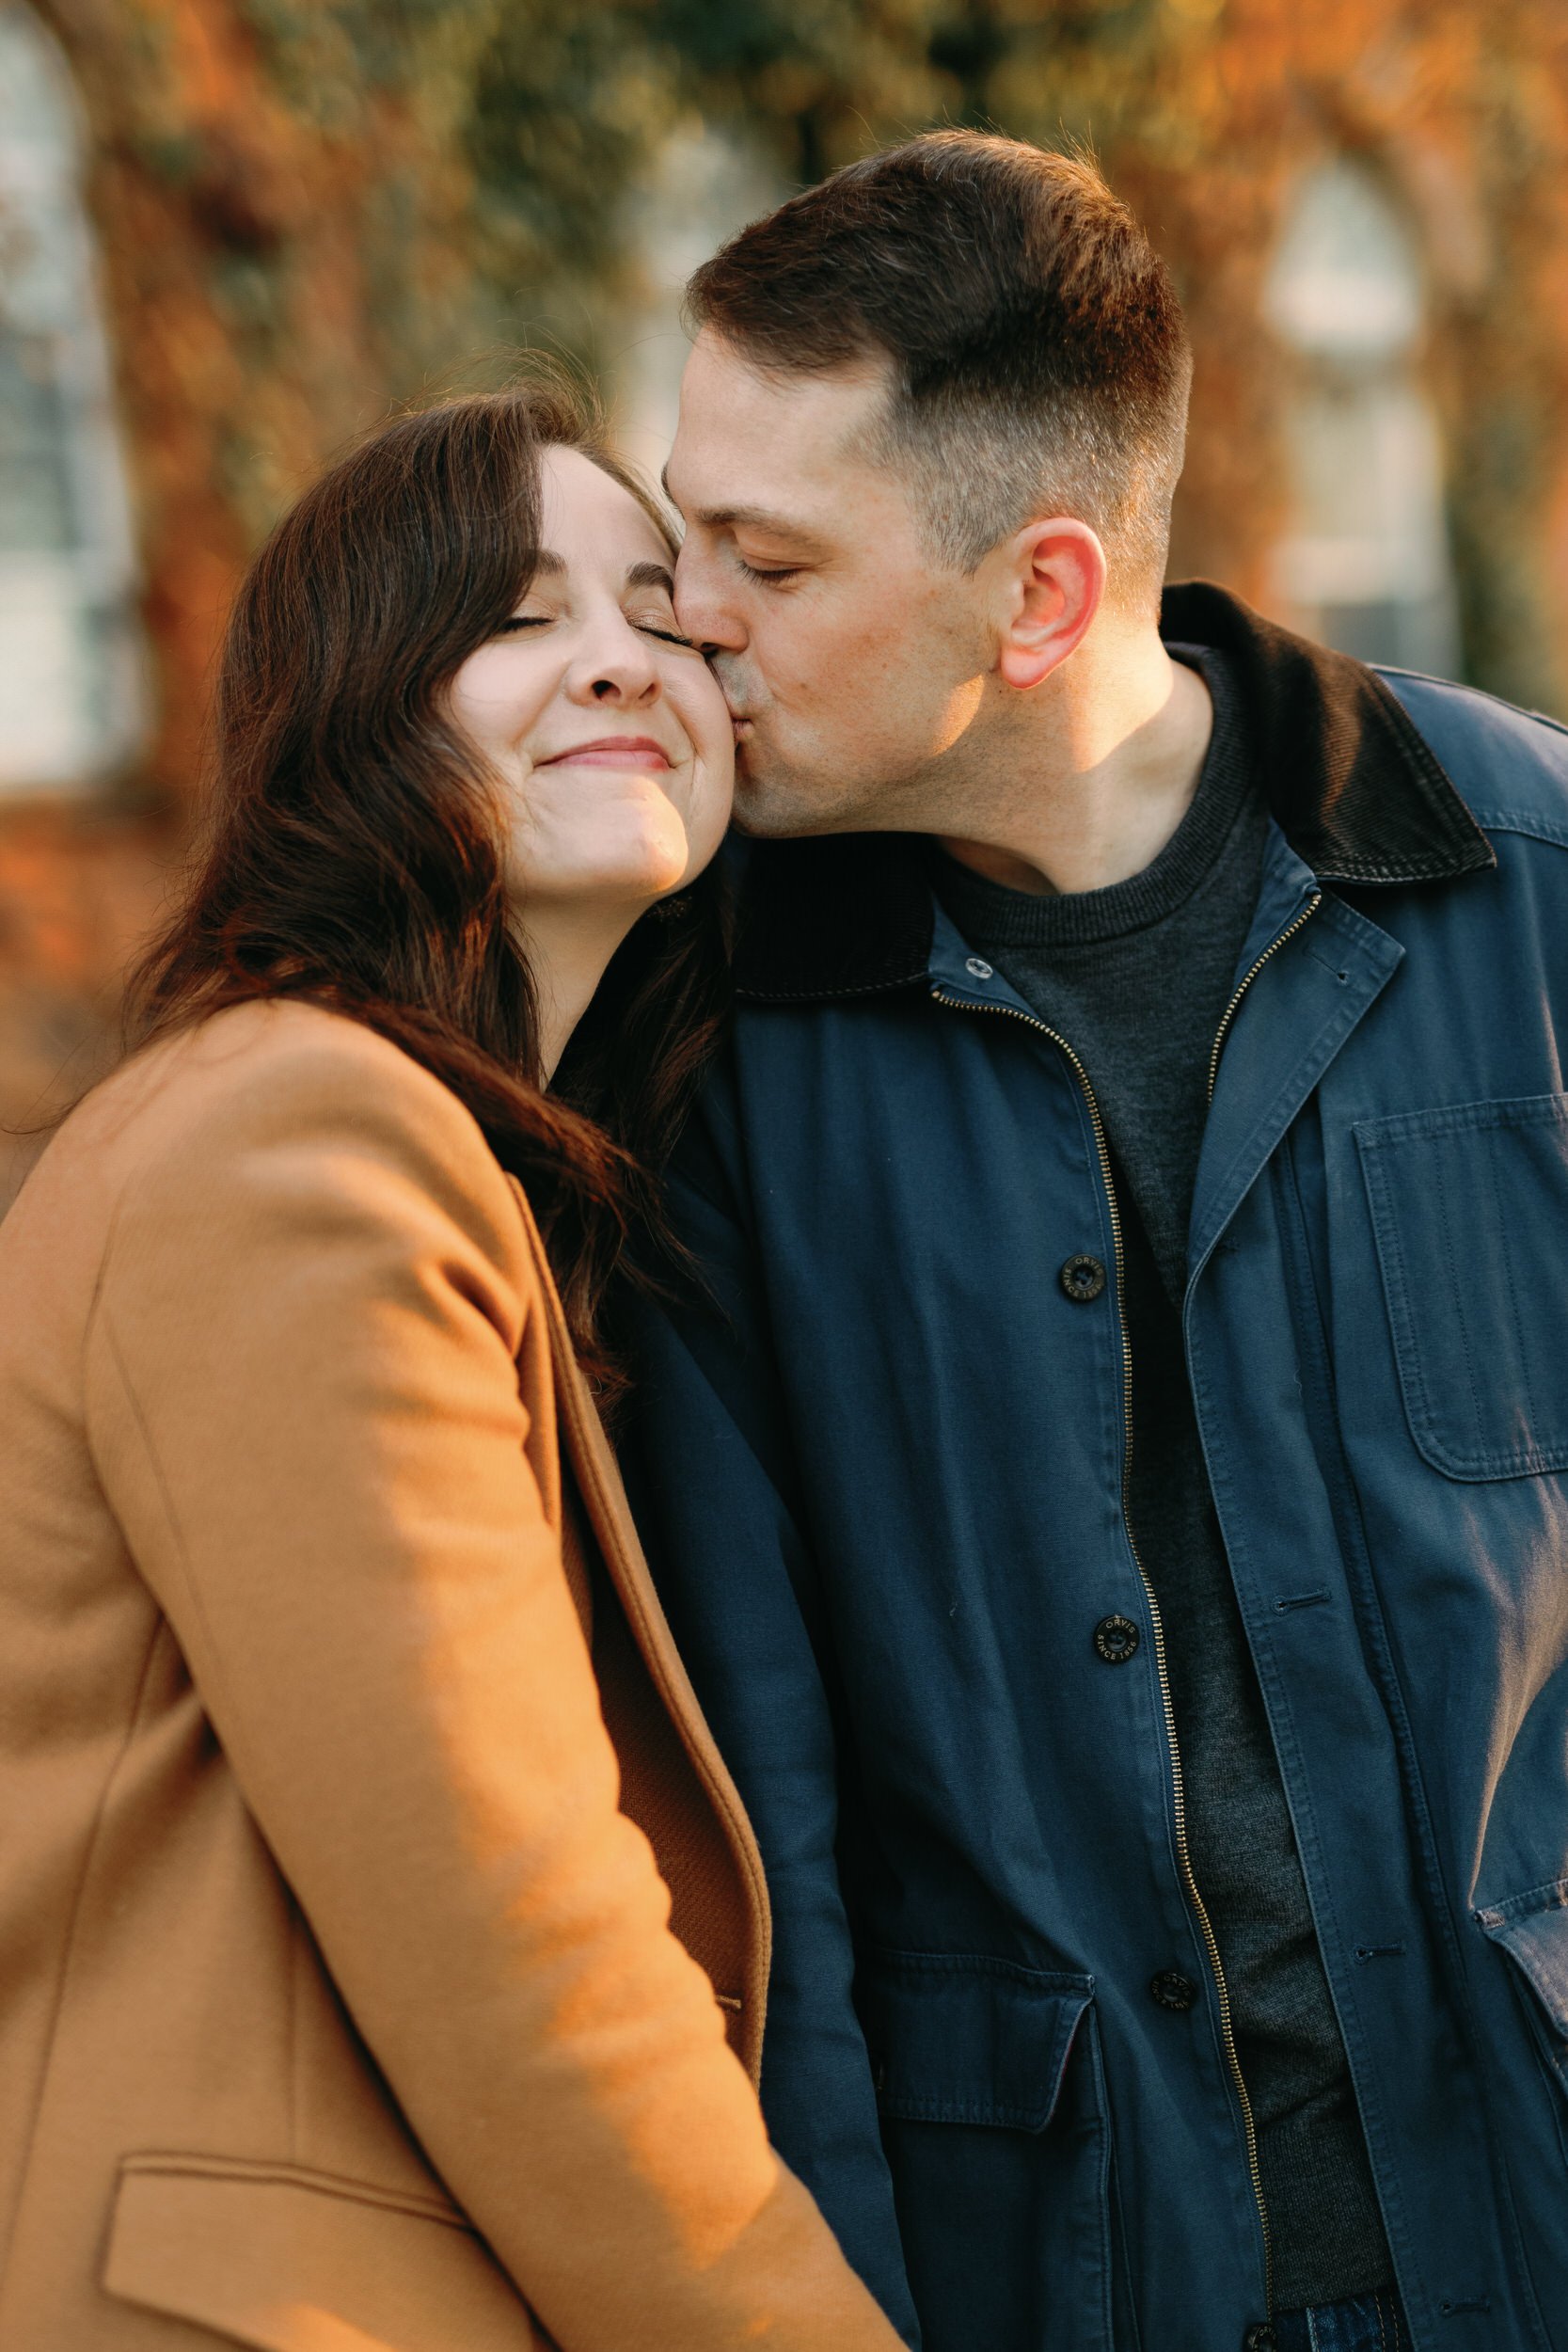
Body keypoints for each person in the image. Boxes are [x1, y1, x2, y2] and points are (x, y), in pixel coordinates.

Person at [621, 132, 1568, 2352]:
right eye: (684, 531)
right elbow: (766, 1833)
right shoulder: (706, 1042)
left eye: (762, 556)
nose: (688, 616)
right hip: (1060, 2274)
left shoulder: (1537, 895)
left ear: (1039, 595)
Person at [0, 381, 906, 2352]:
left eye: (663, 607)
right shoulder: (302, 1139)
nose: (620, 655)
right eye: (516, 617)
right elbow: (511, 1923)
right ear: (355, 711)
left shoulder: (460, 1158)